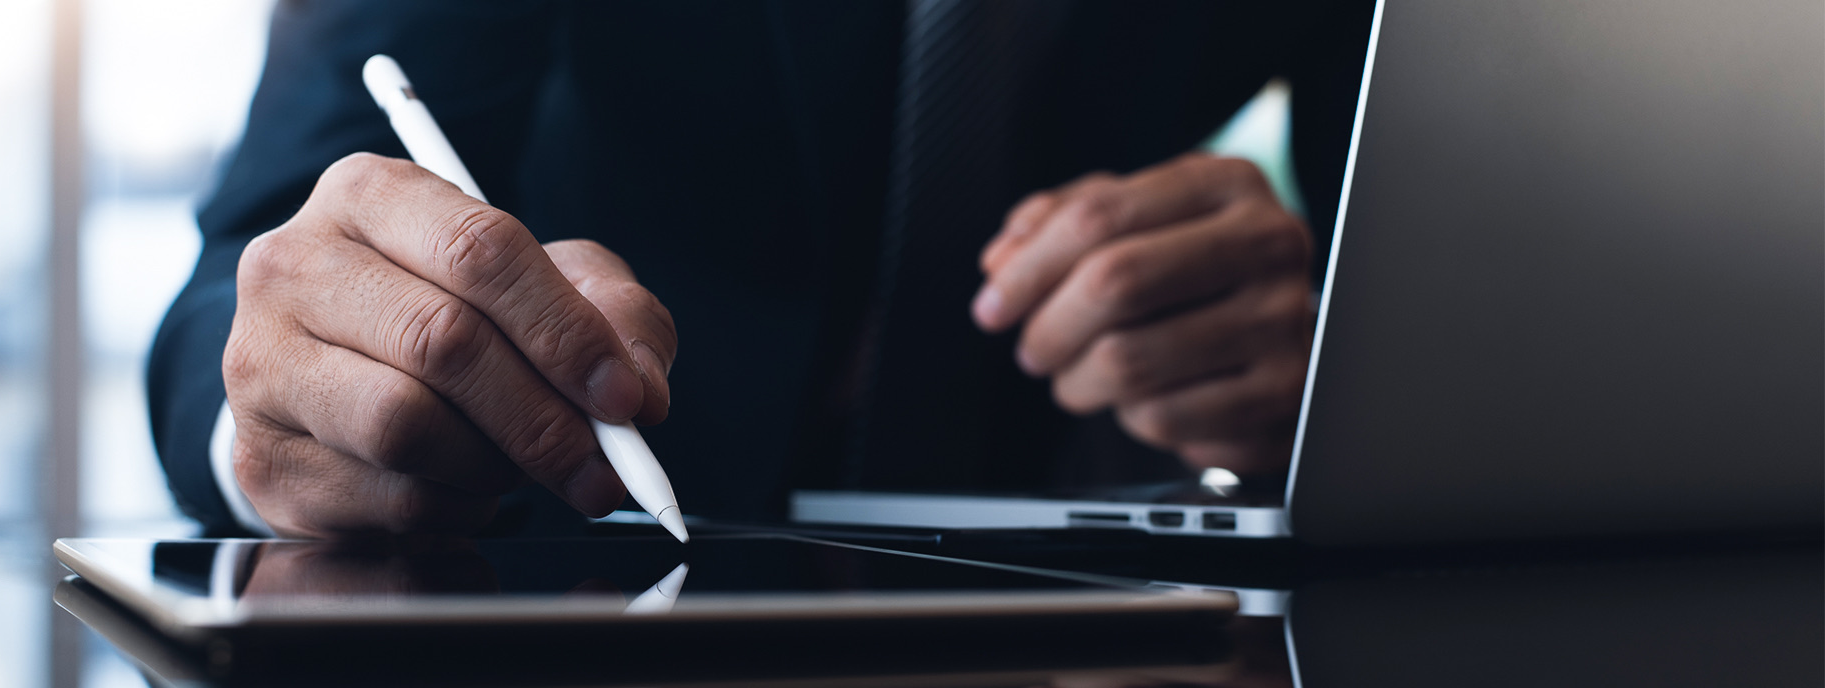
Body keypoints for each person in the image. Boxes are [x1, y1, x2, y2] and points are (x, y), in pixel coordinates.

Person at [148, 0, 1376, 538]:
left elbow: (1425, 274)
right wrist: (292, 385)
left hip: (1080, 631)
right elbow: (249, 273)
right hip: (565, 596)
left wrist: (1343, 381)